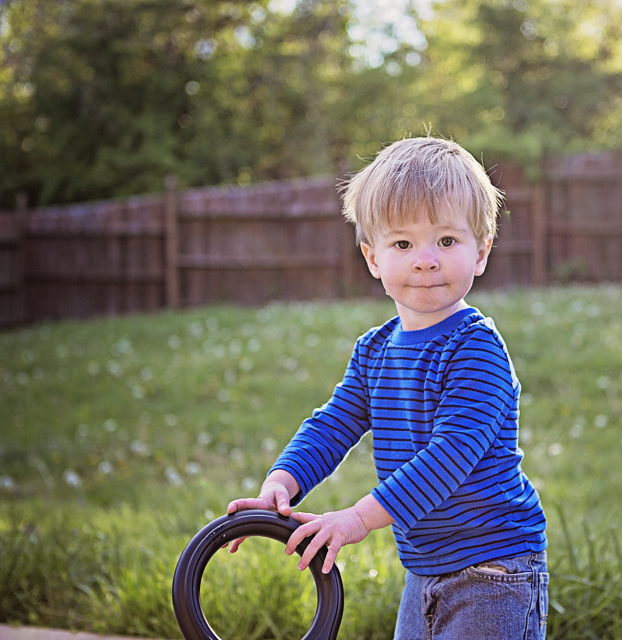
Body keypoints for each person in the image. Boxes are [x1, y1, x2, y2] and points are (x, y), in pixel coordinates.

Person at [226, 136, 549, 640]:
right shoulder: (375, 351)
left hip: (494, 570)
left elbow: (450, 455)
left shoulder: (476, 348)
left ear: (481, 251)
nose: (425, 260)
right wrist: (282, 484)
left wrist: (358, 518)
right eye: (403, 244)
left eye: (447, 241)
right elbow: (333, 424)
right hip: (424, 570)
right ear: (372, 257)